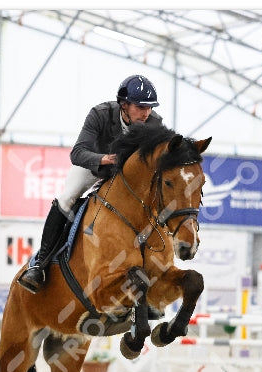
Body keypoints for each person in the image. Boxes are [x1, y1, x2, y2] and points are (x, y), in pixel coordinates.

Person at [17, 74, 164, 293]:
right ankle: (40, 266)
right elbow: (77, 153)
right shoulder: (100, 114)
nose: (146, 113)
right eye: (140, 107)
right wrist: (104, 159)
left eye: (149, 107)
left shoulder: (154, 123)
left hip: (124, 175)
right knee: (66, 198)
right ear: (124, 104)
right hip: (94, 166)